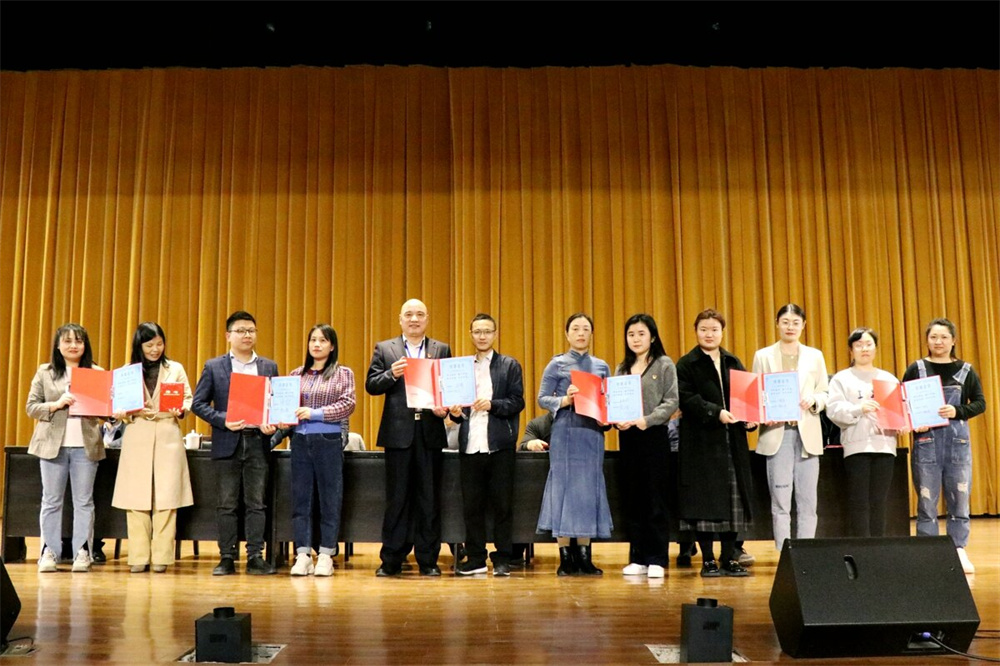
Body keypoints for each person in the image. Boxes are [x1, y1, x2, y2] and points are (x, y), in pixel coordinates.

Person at [366, 298, 452, 577]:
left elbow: (448, 387)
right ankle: (391, 559)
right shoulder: (385, 348)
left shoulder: (441, 349)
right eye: (409, 314)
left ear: (427, 319)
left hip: (430, 431)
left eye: (420, 314)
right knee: (397, 498)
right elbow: (371, 385)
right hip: (398, 433)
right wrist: (391, 374)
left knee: (429, 499)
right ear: (400, 319)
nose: (414, 319)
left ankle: (428, 559)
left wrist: (444, 406)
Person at [192, 311, 279, 575]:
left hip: (258, 442)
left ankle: (255, 556)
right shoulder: (214, 366)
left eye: (251, 330)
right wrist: (223, 420)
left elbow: (277, 404)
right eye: (240, 331)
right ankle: (227, 557)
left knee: (256, 502)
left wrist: (272, 423)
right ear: (228, 335)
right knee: (227, 503)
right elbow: (197, 404)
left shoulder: (268, 367)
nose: (246, 335)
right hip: (227, 441)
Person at [676, 309, 756, 577]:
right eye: (703, 329)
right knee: (705, 503)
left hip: (732, 441)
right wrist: (716, 412)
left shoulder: (733, 361)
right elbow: (686, 398)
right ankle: (708, 559)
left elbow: (747, 398)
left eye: (714, 329)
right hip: (701, 443)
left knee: (734, 504)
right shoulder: (686, 363)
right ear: (696, 331)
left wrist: (750, 420)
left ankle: (729, 557)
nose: (709, 334)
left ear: (722, 332)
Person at [903, 318, 986, 574]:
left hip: (957, 444)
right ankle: (927, 551)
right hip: (926, 443)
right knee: (926, 499)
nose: (938, 342)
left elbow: (980, 403)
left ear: (953, 340)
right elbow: (903, 403)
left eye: (943, 337)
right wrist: (914, 422)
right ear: (927, 340)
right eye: (933, 337)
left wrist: (957, 410)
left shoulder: (966, 370)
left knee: (959, 498)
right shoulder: (916, 368)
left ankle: (958, 549)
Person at [110, 322, 194, 573]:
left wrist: (182, 409)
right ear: (139, 346)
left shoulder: (175, 368)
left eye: (159, 344)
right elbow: (116, 405)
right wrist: (121, 413)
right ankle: (138, 557)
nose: (155, 349)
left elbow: (188, 398)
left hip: (168, 433)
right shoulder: (126, 372)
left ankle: (162, 557)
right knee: (136, 497)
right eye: (149, 345)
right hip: (138, 433)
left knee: (167, 497)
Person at [448, 313, 525, 577]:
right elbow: (457, 413)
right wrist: (455, 413)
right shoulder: (461, 367)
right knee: (472, 507)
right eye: (477, 331)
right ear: (471, 334)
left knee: (503, 505)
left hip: (500, 446)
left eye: (487, 331)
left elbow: (517, 401)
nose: (482, 336)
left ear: (495, 334)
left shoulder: (509, 365)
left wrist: (492, 405)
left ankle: (503, 558)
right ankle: (476, 558)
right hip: (470, 446)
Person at [26, 323, 107, 573]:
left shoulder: (96, 373)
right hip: (53, 445)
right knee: (51, 501)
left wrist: (111, 407)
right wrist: (56, 404)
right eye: (68, 341)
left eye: (79, 341)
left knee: (84, 502)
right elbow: (31, 407)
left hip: (86, 446)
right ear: (58, 345)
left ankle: (83, 551)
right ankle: (48, 552)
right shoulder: (45, 372)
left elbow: (106, 412)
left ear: (85, 345)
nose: (73, 346)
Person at [536, 313, 612, 576]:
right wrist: (564, 401)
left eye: (585, 329)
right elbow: (542, 398)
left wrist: (606, 418)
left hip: (591, 432)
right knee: (564, 488)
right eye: (575, 329)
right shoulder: (556, 364)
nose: (581, 333)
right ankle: (565, 557)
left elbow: (608, 402)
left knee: (588, 490)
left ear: (591, 334)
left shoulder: (601, 366)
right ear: (567, 334)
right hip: (565, 429)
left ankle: (584, 556)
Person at [278, 324, 357, 577]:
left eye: (323, 340)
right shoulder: (296, 374)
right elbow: (284, 407)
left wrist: (315, 413)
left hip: (328, 439)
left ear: (332, 346)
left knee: (329, 498)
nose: (317, 344)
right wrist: (280, 419)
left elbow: (348, 404)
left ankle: (325, 554)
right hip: (300, 440)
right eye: (313, 339)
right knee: (301, 499)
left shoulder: (343, 373)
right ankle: (302, 554)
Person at [752, 303, 829, 550]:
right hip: (777, 434)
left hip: (807, 433)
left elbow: (824, 392)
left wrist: (814, 400)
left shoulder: (815, 355)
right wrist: (765, 413)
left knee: (808, 501)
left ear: (803, 325)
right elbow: (756, 394)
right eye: (785, 322)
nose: (790, 327)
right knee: (780, 501)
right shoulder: (763, 356)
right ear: (777, 324)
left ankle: (806, 552)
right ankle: (784, 553)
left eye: (796, 322)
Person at [615, 314, 678, 579]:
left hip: (654, 437)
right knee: (634, 498)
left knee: (655, 498)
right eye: (631, 334)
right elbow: (614, 401)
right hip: (628, 438)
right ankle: (637, 558)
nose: (636, 339)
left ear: (652, 337)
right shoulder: (622, 367)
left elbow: (671, 401)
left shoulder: (664, 364)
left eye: (641, 333)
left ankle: (657, 558)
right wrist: (617, 420)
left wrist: (648, 420)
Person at [826, 328, 903, 539]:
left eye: (869, 344)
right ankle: (861, 546)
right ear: (851, 350)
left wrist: (901, 422)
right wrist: (859, 408)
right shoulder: (841, 378)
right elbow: (833, 410)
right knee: (858, 500)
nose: (864, 349)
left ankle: (877, 546)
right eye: (858, 345)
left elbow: (899, 410)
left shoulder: (888, 379)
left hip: (885, 445)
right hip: (856, 445)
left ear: (876, 348)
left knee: (879, 500)